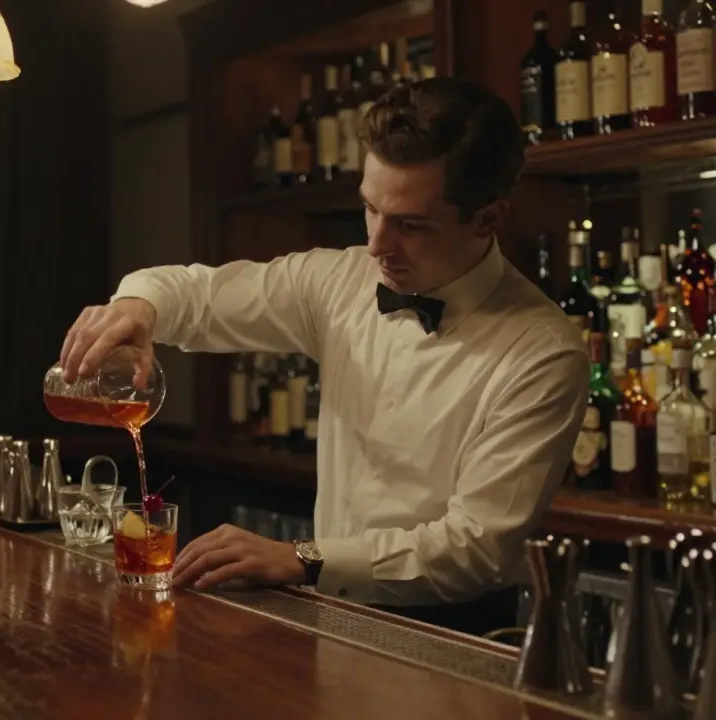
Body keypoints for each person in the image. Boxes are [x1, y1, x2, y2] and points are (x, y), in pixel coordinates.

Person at [59, 78, 589, 636]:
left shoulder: (542, 353)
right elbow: (200, 296)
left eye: (410, 225)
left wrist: (303, 558)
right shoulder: (341, 280)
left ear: (487, 219)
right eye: (370, 209)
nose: (378, 244)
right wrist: (138, 307)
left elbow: (476, 547)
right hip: (329, 617)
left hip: (453, 634)